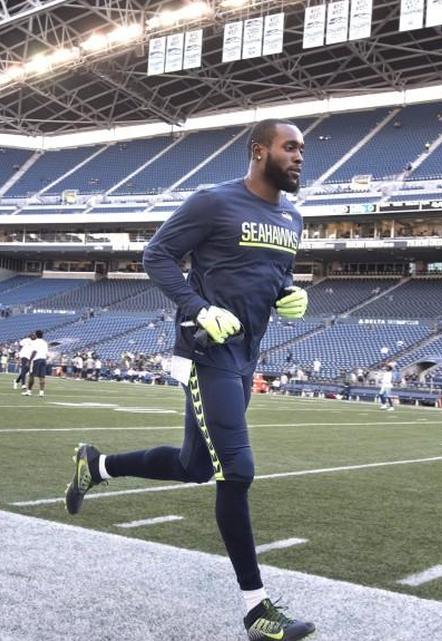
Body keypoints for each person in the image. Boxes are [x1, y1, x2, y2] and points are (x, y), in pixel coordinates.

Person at [63, 119, 315, 641]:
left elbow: (271, 277)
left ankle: (98, 465)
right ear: (258, 150)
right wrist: (198, 309)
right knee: (237, 471)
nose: (298, 157)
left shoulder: (293, 217)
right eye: (290, 147)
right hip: (206, 354)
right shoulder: (213, 201)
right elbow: (155, 255)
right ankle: (256, 610)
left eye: (302, 150)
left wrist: (289, 295)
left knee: (195, 465)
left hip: (246, 357)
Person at [22, 330, 49, 397]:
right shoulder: (45, 342)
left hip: (36, 360)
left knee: (32, 375)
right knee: (42, 377)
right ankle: (41, 392)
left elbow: (34, 351)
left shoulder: (35, 342)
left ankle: (29, 391)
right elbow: (46, 353)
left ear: (36, 335)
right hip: (43, 359)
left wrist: (29, 361)